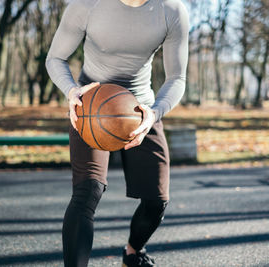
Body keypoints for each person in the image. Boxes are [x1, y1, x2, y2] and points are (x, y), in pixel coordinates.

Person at [46, 0, 188, 266]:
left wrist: (154, 113)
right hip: (89, 107)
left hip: (140, 111)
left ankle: (133, 253)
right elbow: (55, 58)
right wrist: (71, 90)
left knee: (156, 202)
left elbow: (176, 78)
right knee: (87, 192)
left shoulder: (171, 10)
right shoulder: (87, 5)